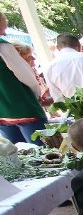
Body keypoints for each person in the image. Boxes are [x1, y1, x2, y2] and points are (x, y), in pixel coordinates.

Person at [0, 12, 48, 144]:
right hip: (22, 106)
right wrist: (37, 94)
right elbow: (26, 76)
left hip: (2, 112)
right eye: (3, 28)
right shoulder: (3, 46)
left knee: (18, 152)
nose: (4, 33)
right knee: (42, 148)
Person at [11, 41, 51, 107]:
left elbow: (40, 100)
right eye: (29, 56)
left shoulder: (31, 73)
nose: (34, 59)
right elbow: (34, 102)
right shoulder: (18, 77)